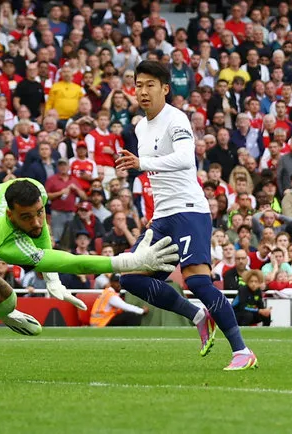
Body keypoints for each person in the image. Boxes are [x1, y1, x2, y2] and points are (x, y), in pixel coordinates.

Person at [0, 178, 179, 334]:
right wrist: (129, 261)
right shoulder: (4, 242)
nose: (37, 222)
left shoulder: (33, 189)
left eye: (39, 212)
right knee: (6, 297)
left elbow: (42, 235)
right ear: (9, 213)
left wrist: (52, 279)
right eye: (25, 218)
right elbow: (71, 260)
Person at [115, 61, 257, 370]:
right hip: (163, 215)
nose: (142, 91)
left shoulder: (176, 118)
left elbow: (183, 158)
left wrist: (142, 162)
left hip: (190, 210)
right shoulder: (140, 126)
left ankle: (242, 351)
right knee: (131, 278)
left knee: (199, 282)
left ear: (165, 88)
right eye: (138, 84)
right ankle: (197, 316)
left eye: (150, 84)